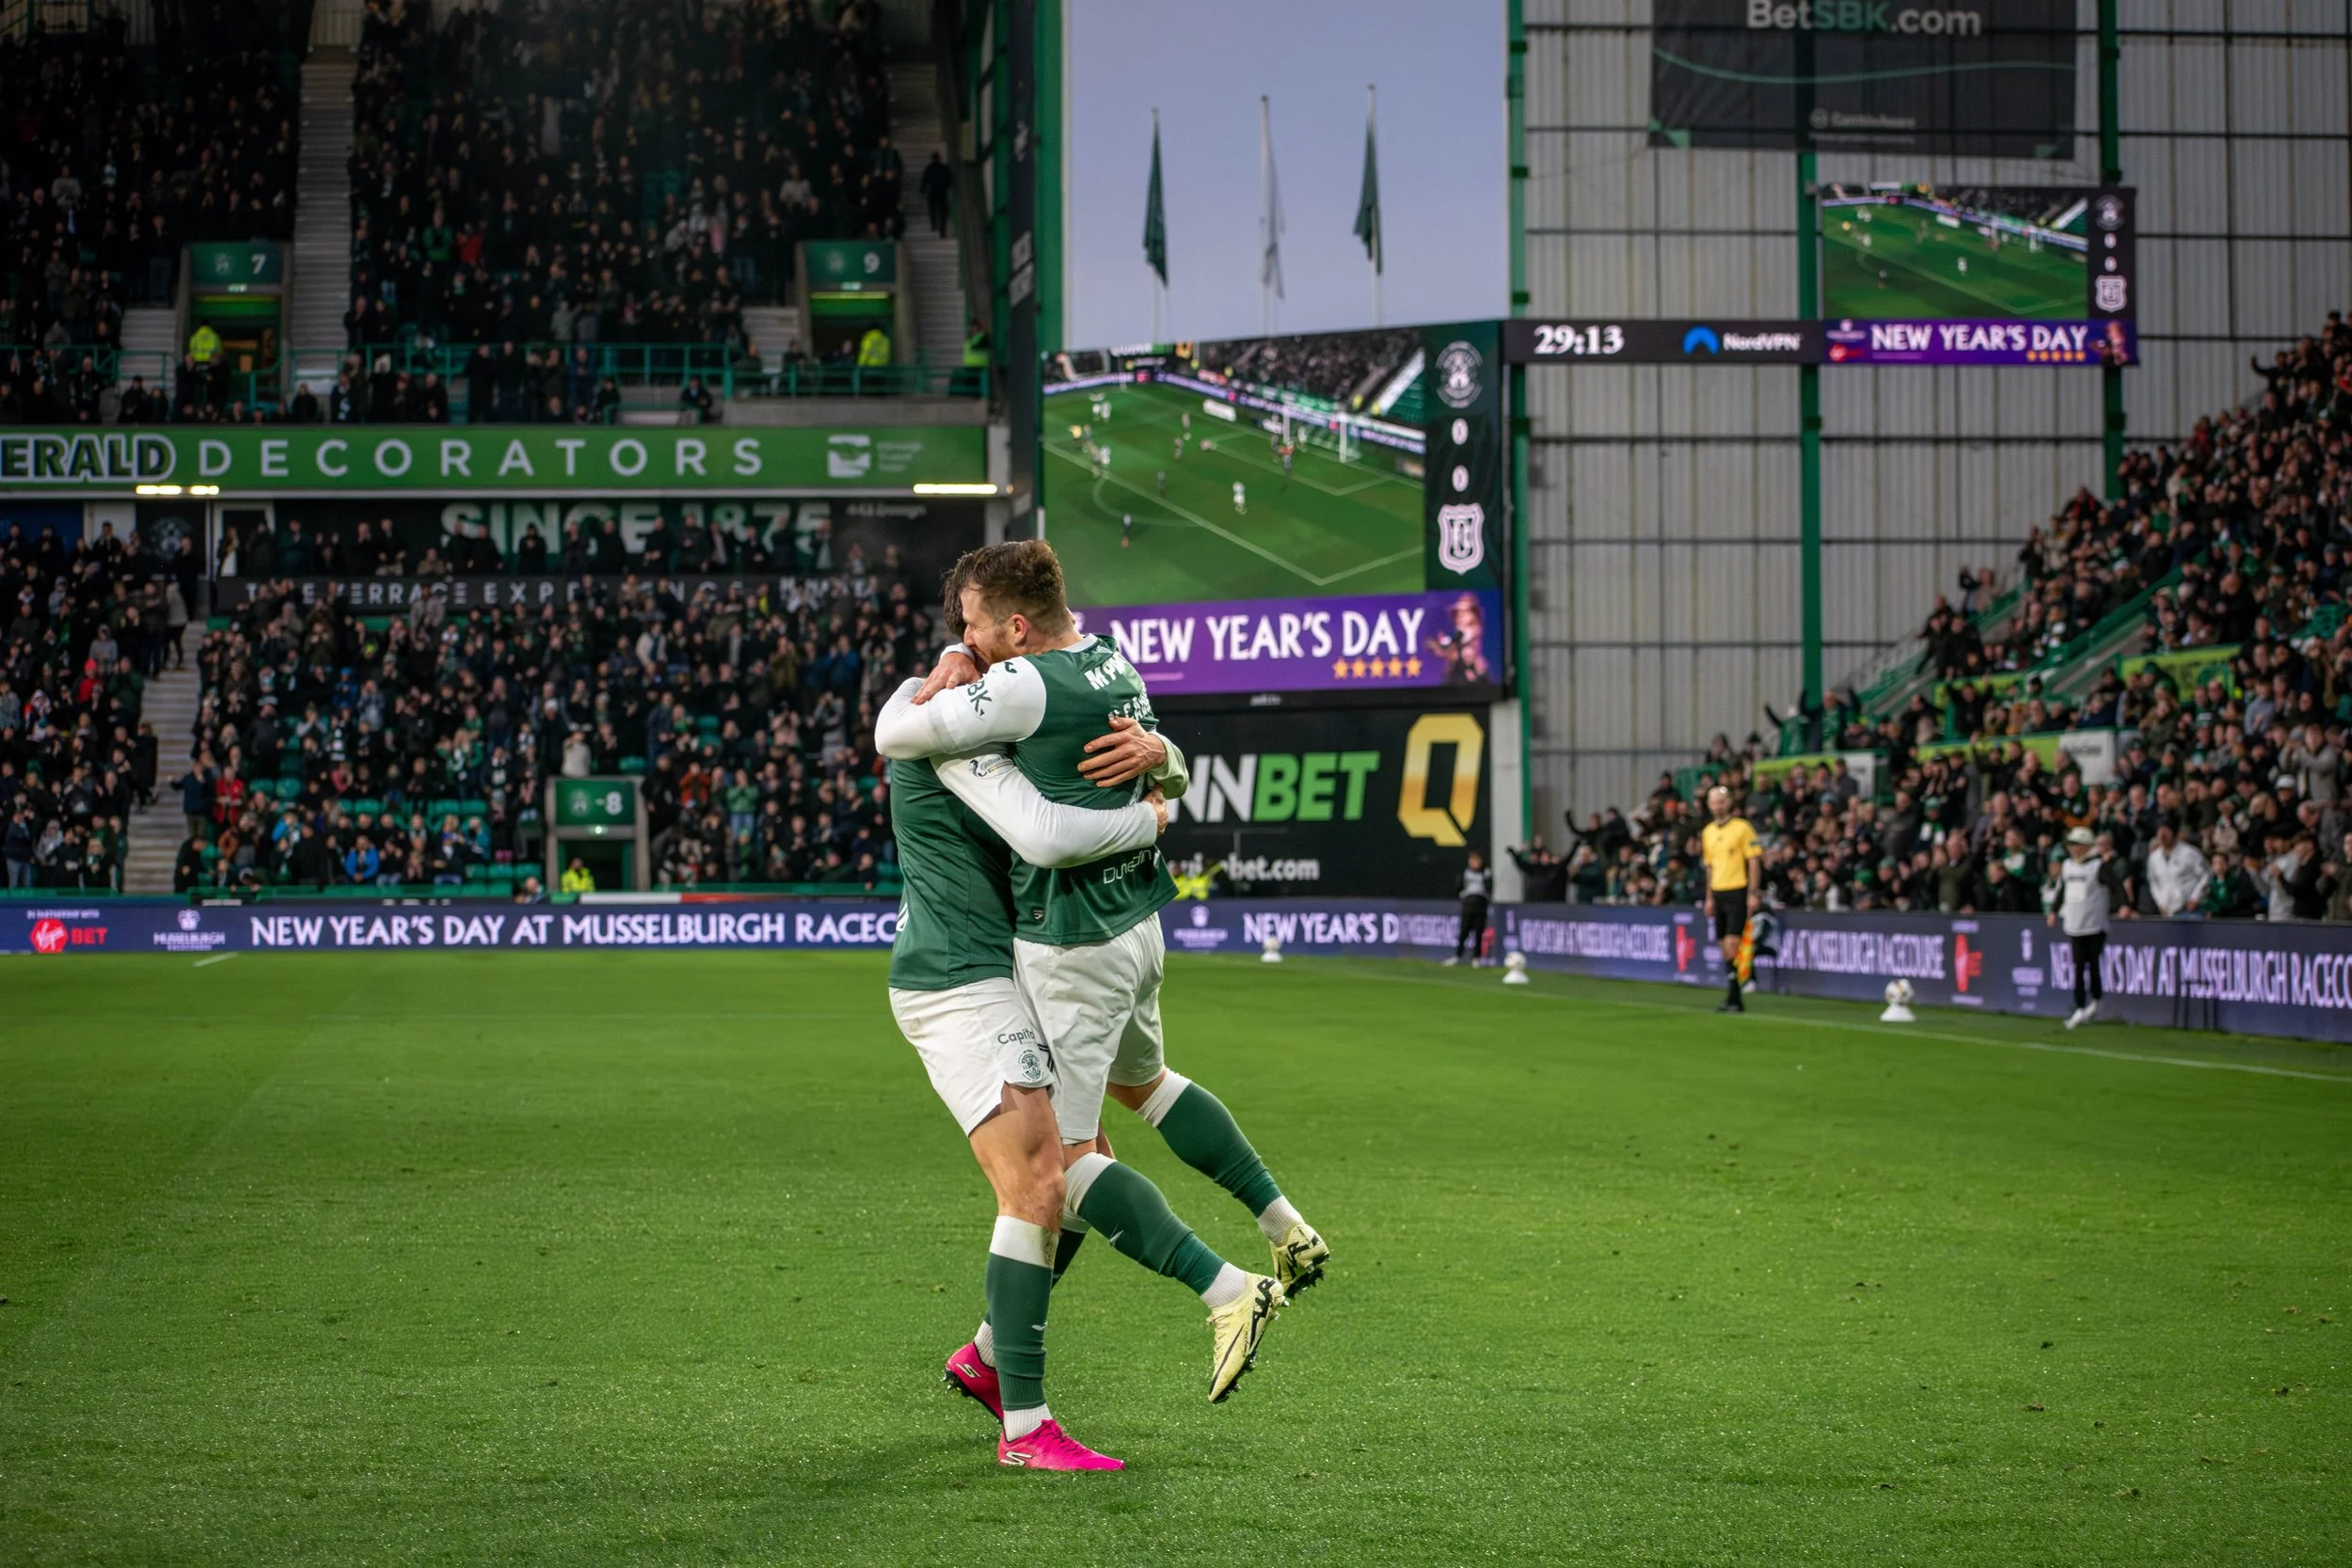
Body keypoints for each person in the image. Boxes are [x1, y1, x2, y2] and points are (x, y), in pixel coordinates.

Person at [880, 542, 1321, 1405]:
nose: (961, 642)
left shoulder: (1014, 689)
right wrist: (1167, 766)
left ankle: (1226, 1291)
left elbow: (924, 750)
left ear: (1013, 624)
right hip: (1138, 925)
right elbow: (1160, 756)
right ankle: (1285, 1226)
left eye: (970, 627)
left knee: (1064, 1165)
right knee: (1142, 1086)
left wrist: (1151, 814)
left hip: (1072, 942)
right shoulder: (1112, 658)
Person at [882, 654, 1175, 1471]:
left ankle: (985, 1354)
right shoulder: (946, 726)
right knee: (1043, 1181)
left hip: (998, 972)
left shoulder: (1009, 713)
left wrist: (1163, 756)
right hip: (955, 979)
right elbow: (1046, 837)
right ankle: (1025, 1430)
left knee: (1084, 1168)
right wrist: (1148, 822)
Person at [2050, 824, 2129, 1029]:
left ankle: (2095, 1000)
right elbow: (2062, 890)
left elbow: (2116, 886)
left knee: (2092, 963)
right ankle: (2079, 1006)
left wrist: (2124, 905)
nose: (2073, 849)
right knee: (2077, 966)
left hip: (2094, 923)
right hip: (2074, 923)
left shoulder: (2097, 867)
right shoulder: (2068, 866)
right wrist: (2053, 910)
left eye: (2077, 845)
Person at [1700, 784, 1759, 1012]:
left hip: (1737, 889)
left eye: (1721, 801)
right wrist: (1708, 897)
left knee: (1734, 943)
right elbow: (1709, 867)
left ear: (1729, 803)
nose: (1718, 806)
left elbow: (1753, 859)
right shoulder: (1708, 832)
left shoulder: (1742, 828)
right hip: (1718, 891)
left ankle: (1736, 994)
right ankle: (1733, 995)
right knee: (1723, 945)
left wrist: (1753, 892)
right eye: (1714, 802)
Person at [2144, 818, 2209, 917]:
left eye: (2166, 832)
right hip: (2167, 912)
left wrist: (2195, 898)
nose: (2162, 836)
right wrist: (2160, 903)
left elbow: (2206, 875)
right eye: (2160, 832)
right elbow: (2153, 882)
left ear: (2174, 834)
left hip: (2189, 911)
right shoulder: (2154, 858)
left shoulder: (2189, 853)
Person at [1447, 850, 1492, 966]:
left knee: (1478, 933)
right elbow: (1459, 886)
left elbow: (1489, 888)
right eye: (1472, 860)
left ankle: (1476, 958)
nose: (1474, 863)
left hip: (1480, 905)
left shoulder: (1486, 873)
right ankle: (1458, 956)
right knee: (1464, 932)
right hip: (1468, 904)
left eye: (1476, 860)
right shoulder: (1465, 872)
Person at [921, 150, 955, 238]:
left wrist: (923, 189)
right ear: (939, 158)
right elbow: (949, 180)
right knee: (943, 211)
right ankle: (942, 231)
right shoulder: (944, 168)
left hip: (932, 191)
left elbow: (925, 180)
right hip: (942, 192)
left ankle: (933, 226)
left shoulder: (929, 168)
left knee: (932, 209)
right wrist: (947, 187)